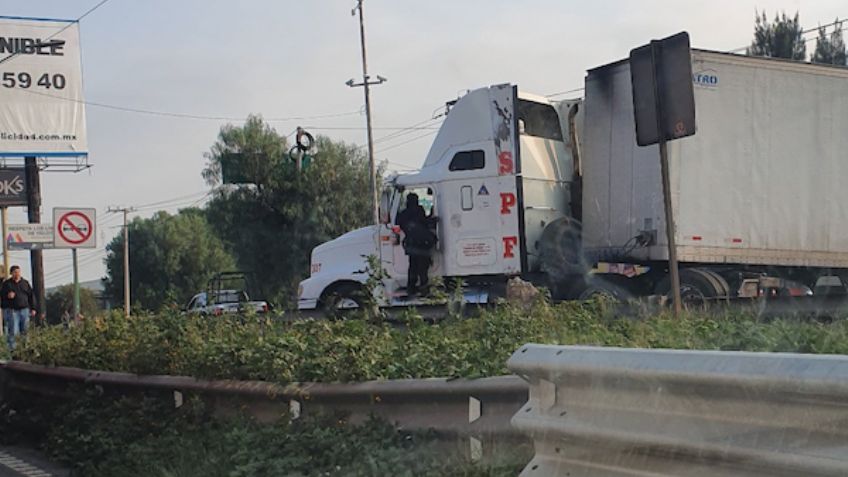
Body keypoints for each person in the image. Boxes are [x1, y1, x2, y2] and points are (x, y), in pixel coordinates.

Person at [396, 193, 437, 295]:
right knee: (422, 268)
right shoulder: (419, 210)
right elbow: (425, 222)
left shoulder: (403, 213)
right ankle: (424, 290)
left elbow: (398, 223)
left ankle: (411, 288)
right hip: (422, 244)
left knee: (413, 267)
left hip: (411, 245)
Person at [1, 265, 37, 351]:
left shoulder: (25, 283)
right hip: (12, 311)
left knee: (25, 331)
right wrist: (7, 296)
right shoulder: (7, 284)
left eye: (18, 272)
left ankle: (25, 349)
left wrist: (33, 308)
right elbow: (2, 296)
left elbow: (31, 296)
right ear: (11, 273)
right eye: (15, 272)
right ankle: (13, 351)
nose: (17, 274)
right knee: (13, 331)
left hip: (24, 310)